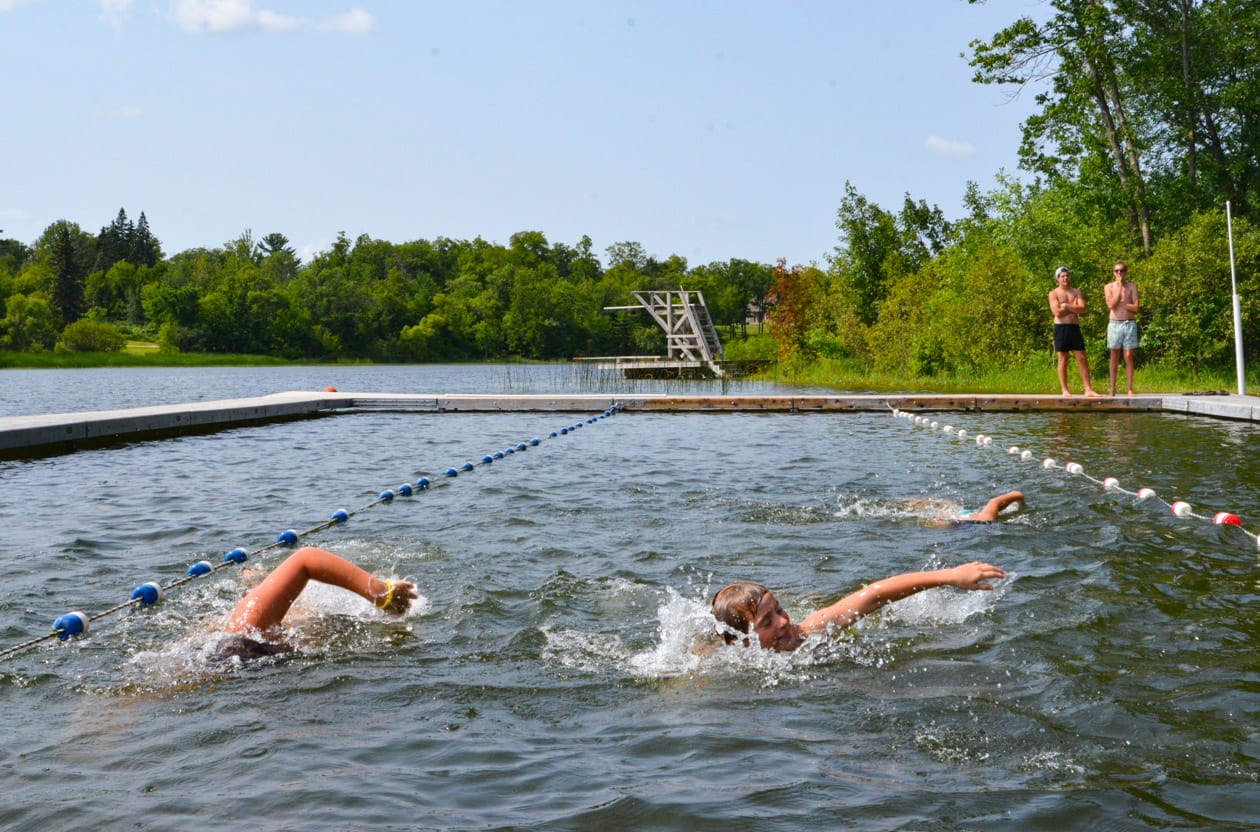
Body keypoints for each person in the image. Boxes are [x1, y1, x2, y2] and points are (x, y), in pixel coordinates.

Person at [710, 561, 1006, 651]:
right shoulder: (729, 661)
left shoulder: (811, 631)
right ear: (743, 643)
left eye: (779, 610)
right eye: (766, 623)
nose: (783, 622)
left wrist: (949, 576)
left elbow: (872, 595)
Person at [216, 546, 417, 661]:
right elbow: (306, 559)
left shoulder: (217, 637)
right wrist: (382, 593)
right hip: (245, 652)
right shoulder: (245, 621)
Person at [1048, 266, 1101, 397]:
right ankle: (1065, 389)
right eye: (1062, 276)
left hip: (1074, 328)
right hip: (1061, 328)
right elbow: (1057, 312)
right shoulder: (1053, 293)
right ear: (1057, 279)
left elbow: (1082, 308)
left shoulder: (1076, 292)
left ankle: (1088, 389)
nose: (1065, 278)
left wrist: (1065, 305)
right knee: (1063, 359)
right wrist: (1073, 307)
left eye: (1067, 276)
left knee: (1082, 358)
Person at [1104, 260, 1140, 396]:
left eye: (1122, 270)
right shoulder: (1109, 287)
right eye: (1116, 271)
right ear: (1113, 273)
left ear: (1126, 272)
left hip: (1129, 323)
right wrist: (1119, 289)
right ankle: (1112, 387)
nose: (1119, 273)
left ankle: (1130, 388)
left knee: (1129, 355)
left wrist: (1124, 304)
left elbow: (1136, 307)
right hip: (1114, 324)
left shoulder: (1132, 287)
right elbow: (1111, 305)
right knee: (1114, 355)